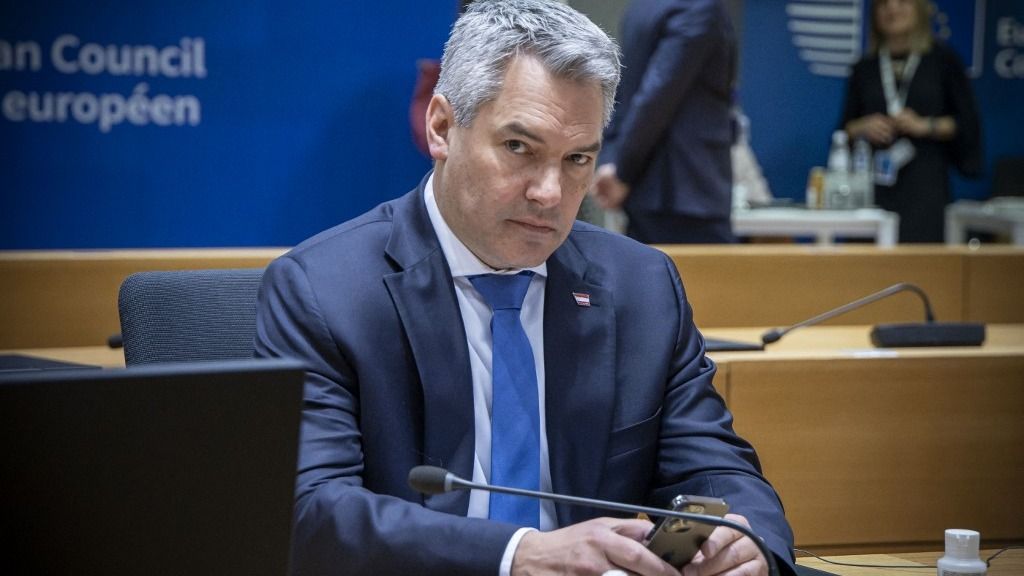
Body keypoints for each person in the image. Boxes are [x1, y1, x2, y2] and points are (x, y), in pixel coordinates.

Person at [255, 1, 795, 574]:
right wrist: (518, 555)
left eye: (577, 159)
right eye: (519, 148)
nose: (550, 192)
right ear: (442, 127)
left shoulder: (642, 287)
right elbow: (311, 511)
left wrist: (745, 537)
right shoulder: (324, 291)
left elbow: (717, 469)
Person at [591, 0, 737, 244]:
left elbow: (624, 93)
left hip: (648, 189)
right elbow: (657, 96)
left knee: (652, 278)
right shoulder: (698, 7)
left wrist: (612, 162)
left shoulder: (642, 7)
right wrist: (622, 172)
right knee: (712, 280)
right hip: (686, 190)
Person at [841, 0, 982, 243]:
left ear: (919, 8)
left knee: (923, 267)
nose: (892, 8)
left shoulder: (943, 61)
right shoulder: (864, 67)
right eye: (884, 3)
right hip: (874, 189)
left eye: (902, 1)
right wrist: (863, 126)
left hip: (925, 188)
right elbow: (844, 129)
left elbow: (967, 124)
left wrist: (925, 126)